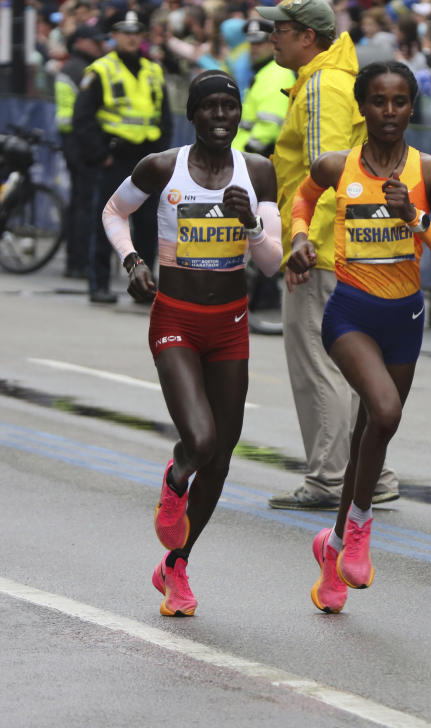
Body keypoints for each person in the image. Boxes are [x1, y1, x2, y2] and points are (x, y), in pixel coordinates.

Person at [101, 70, 282, 615]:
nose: (221, 117)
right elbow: (113, 212)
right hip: (175, 317)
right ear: (193, 114)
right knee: (200, 441)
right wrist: (132, 260)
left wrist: (250, 224)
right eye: (211, 108)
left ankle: (176, 567)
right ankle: (177, 475)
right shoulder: (161, 167)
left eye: (231, 107)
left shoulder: (258, 172)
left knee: (223, 455)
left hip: (230, 324)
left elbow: (270, 264)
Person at [288, 61, 431, 613]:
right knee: (385, 412)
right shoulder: (336, 164)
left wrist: (413, 217)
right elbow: (301, 198)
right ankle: (362, 527)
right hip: (350, 314)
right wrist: (298, 240)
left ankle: (334, 548)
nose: (389, 112)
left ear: (413, 107)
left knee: (373, 434)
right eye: (378, 102)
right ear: (362, 107)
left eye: (399, 102)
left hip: (405, 319)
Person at [255, 0, 400, 511]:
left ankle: (331, 479)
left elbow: (327, 175)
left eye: (281, 29)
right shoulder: (335, 78)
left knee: (320, 364)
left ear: (308, 38)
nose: (271, 36)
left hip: (321, 251)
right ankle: (370, 473)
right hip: (350, 248)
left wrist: (302, 242)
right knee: (353, 366)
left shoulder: (321, 87)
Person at [73, 10, 172, 304]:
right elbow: (83, 118)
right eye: (124, 32)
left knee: (147, 225)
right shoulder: (101, 70)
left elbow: (165, 118)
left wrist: (162, 157)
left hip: (147, 160)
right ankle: (99, 284)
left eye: (136, 32)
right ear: (113, 36)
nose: (131, 38)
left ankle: (143, 287)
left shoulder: (154, 71)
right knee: (107, 221)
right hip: (114, 158)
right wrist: (100, 155)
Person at [54, 24, 105, 279]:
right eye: (96, 42)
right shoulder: (81, 70)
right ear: (82, 42)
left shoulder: (72, 66)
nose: (101, 46)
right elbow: (84, 115)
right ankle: (80, 262)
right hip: (80, 145)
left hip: (72, 142)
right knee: (85, 205)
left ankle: (75, 261)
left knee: (79, 204)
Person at [232, 18, 294, 157]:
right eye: (251, 43)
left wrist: (247, 156)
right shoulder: (265, 71)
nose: (253, 48)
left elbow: (269, 125)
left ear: (273, 43)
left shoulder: (277, 73)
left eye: (259, 43)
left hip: (251, 157)